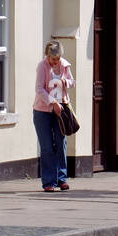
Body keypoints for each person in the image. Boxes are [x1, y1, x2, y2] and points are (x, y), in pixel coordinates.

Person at [32, 41, 75, 192]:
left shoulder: (64, 65)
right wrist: (52, 103)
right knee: (47, 147)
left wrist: (66, 82)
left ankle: (61, 179)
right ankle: (49, 182)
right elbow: (39, 89)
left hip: (61, 109)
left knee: (61, 143)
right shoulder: (42, 66)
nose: (55, 62)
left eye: (57, 59)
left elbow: (72, 82)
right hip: (42, 111)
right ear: (47, 56)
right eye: (53, 59)